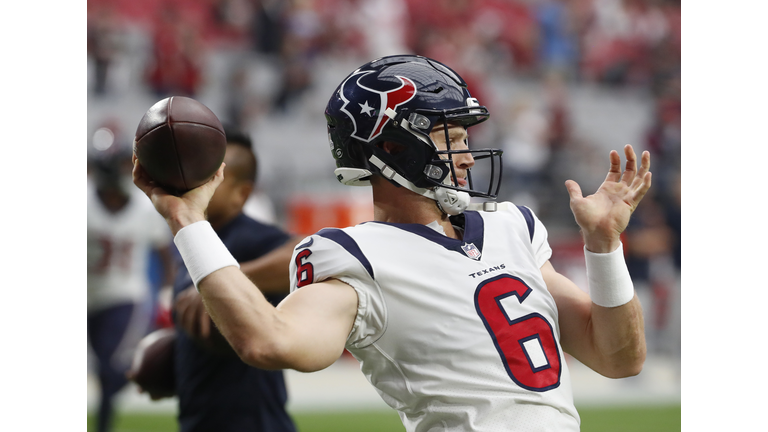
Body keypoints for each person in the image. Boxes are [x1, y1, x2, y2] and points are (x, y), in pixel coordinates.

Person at [133, 54, 652, 431]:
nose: (467, 157)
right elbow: (271, 341)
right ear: (394, 148)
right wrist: (188, 221)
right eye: (451, 139)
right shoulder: (355, 256)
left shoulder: (511, 226)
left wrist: (604, 246)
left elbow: (619, 358)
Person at [153, 126, 298, 432]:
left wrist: (224, 277)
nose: (195, 182)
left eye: (211, 177)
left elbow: (302, 255)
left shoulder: (248, 237)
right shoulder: (195, 239)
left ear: (241, 194)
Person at [87, 134, 175, 432]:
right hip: (89, 297)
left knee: (109, 370)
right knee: (102, 372)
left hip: (125, 296)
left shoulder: (143, 207)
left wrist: (166, 292)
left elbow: (164, 254)